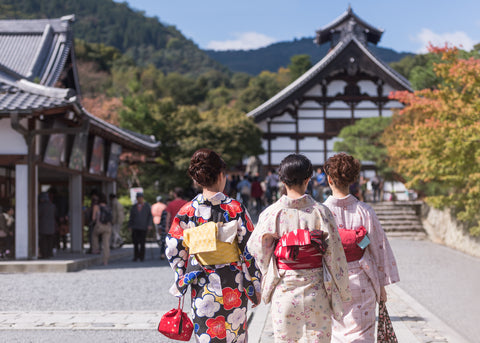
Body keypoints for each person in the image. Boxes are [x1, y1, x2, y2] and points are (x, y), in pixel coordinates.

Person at [247, 154, 351, 343]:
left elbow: (257, 252)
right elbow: (335, 254)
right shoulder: (321, 212)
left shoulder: (271, 214)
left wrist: (263, 280)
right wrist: (343, 290)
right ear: (308, 179)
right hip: (316, 291)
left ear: (282, 179)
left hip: (285, 291)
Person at [166, 148, 261, 343]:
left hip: (202, 285)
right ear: (220, 175)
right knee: (234, 335)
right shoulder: (235, 208)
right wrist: (255, 283)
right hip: (233, 285)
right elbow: (250, 248)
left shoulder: (187, 211)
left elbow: (173, 249)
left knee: (207, 335)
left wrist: (184, 275)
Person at [323, 153, 400, 342]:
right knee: (363, 333)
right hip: (363, 278)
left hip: (332, 279)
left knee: (336, 332)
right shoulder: (365, 210)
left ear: (329, 179)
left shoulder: (321, 212)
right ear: (354, 179)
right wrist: (381, 285)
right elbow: (378, 248)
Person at [128, 192, 153, 262]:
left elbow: (150, 216)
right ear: (137, 199)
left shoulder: (147, 206)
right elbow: (131, 217)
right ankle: (136, 256)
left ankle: (142, 256)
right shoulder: (134, 207)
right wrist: (130, 225)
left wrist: (149, 225)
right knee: (135, 242)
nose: (139, 199)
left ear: (142, 198)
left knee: (142, 242)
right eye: (138, 198)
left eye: (141, 198)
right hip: (135, 227)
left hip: (143, 227)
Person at [91, 193, 113, 266]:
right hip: (108, 226)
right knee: (106, 244)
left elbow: (93, 218)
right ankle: (105, 261)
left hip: (99, 226)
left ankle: (96, 249)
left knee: (94, 235)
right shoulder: (108, 207)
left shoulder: (96, 207)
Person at [38, 192, 56, 259]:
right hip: (51, 226)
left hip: (43, 226)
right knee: (50, 241)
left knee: (43, 242)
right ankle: (49, 253)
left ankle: (44, 254)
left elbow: (38, 214)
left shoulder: (41, 206)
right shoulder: (52, 205)